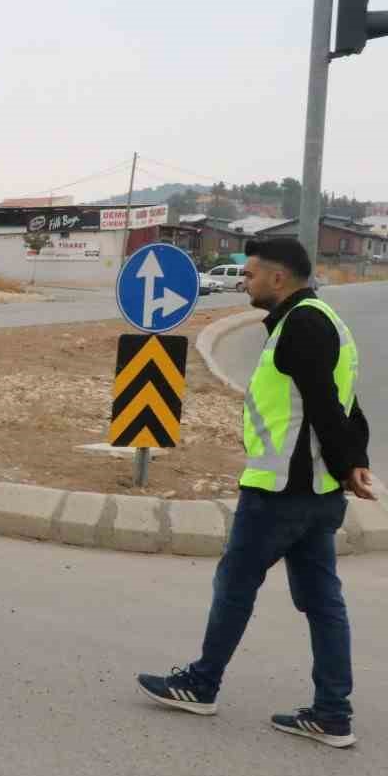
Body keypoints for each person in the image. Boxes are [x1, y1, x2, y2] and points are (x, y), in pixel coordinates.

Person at [138, 236, 374, 748]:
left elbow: (327, 408)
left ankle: (201, 683)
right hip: (316, 492)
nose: (243, 281)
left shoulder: (303, 325)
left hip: (282, 492)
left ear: (279, 278)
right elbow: (345, 404)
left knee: (236, 585)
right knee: (322, 601)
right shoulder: (325, 321)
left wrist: (348, 461)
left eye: (249, 274)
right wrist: (353, 465)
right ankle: (333, 712)